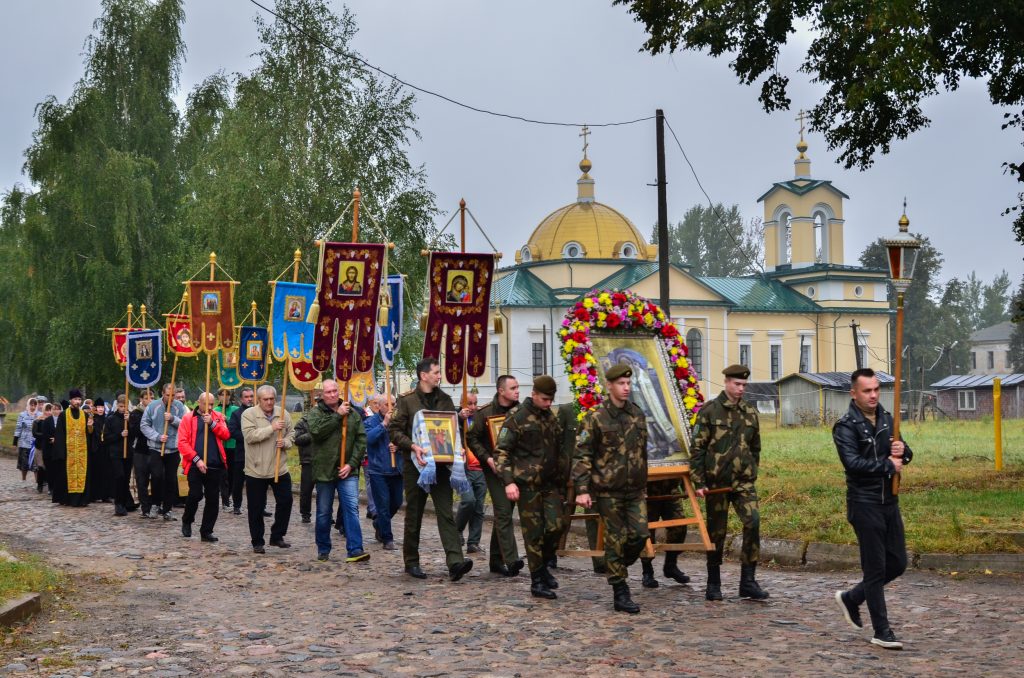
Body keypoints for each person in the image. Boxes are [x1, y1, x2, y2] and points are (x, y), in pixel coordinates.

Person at [833, 368, 913, 650]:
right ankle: (882, 630)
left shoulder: (888, 419)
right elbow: (853, 464)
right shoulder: (845, 426)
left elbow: (906, 454)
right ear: (854, 393)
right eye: (867, 390)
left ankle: (852, 597)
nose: (874, 395)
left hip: (889, 502)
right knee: (876, 569)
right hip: (864, 503)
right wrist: (887, 466)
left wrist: (903, 451)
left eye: (877, 389)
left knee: (898, 563)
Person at [388, 357, 474, 581]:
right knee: (414, 513)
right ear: (423, 375)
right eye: (436, 372)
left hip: (442, 466)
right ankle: (412, 561)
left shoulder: (445, 399)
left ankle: (455, 562)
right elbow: (395, 431)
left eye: (439, 372)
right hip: (416, 466)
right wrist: (412, 446)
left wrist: (458, 449)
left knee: (446, 512)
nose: (439, 375)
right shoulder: (406, 401)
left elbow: (451, 428)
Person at [574, 364, 649, 614]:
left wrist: (644, 482)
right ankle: (620, 590)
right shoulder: (596, 417)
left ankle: (616, 563)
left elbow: (642, 453)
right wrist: (582, 489)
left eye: (628, 384)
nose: (626, 388)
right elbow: (582, 454)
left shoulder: (637, 414)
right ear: (609, 386)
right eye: (621, 384)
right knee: (614, 538)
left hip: (635, 490)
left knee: (640, 534)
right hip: (608, 490)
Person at [690, 364, 768, 602]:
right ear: (726, 382)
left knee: (753, 523)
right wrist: (699, 481)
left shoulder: (749, 412)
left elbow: (755, 447)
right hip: (717, 483)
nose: (741, 389)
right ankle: (713, 582)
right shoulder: (710, 411)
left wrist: (751, 470)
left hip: (743, 482)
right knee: (717, 533)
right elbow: (698, 448)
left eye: (744, 385)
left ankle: (748, 581)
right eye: (737, 384)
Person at [495, 375, 565, 600]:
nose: (548, 404)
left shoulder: (549, 417)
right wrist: (509, 481)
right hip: (527, 486)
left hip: (550, 484)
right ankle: (537, 580)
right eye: (544, 399)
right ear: (533, 394)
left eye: (550, 400)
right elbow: (502, 452)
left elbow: (558, 448)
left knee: (556, 526)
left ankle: (543, 566)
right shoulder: (517, 418)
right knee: (534, 534)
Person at [466, 375, 524, 577]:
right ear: (501, 391)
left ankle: (495, 560)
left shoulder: (522, 411)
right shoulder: (485, 413)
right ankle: (512, 559)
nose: (517, 391)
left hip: (516, 469)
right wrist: (487, 459)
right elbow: (471, 437)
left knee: (505, 511)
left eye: (517, 387)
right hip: (494, 469)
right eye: (513, 387)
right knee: (503, 509)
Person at [306, 379, 368, 562]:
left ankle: (355, 549)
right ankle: (323, 548)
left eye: (335, 391)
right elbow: (317, 432)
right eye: (328, 392)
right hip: (324, 471)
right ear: (322, 395)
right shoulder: (316, 413)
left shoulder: (353, 413)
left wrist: (352, 464)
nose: (332, 394)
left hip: (347, 471)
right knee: (324, 511)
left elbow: (361, 440)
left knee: (351, 508)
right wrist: (337, 416)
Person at [241, 385, 295, 554]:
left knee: (286, 501)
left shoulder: (283, 413)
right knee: (256, 508)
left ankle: (277, 535)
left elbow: (291, 433)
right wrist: (271, 428)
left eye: (272, 399)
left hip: (279, 467)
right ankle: (257, 541)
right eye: (266, 399)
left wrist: (285, 442)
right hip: (256, 469)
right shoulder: (248, 414)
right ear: (259, 400)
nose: (270, 402)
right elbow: (250, 437)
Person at [178, 392, 230, 542]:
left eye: (212, 404)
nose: (209, 407)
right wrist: (197, 459)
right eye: (206, 404)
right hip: (195, 463)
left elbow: (226, 435)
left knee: (213, 499)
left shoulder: (218, 416)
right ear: (198, 402)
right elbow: (182, 442)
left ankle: (206, 531)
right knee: (195, 494)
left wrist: (213, 424)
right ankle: (187, 520)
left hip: (214, 464)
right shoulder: (188, 418)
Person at [140, 383, 187, 520]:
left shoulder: (179, 406)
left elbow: (185, 423)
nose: (171, 398)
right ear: (162, 393)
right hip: (156, 447)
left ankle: (167, 509)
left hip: (173, 448)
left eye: (173, 395)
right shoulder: (153, 406)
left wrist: (172, 419)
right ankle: (155, 504)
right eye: (168, 395)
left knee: (171, 479)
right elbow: (144, 425)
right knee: (157, 476)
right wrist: (157, 436)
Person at [639, 477, 691, 588]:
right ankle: (647, 571)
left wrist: (686, 485)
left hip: (671, 489)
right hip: (648, 490)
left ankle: (670, 565)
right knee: (646, 531)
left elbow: (682, 460)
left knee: (679, 526)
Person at [365, 394, 402, 550]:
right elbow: (368, 439)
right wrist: (384, 425)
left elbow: (407, 439)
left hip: (397, 469)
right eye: (387, 404)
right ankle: (387, 538)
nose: (390, 407)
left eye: (393, 404)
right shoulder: (369, 422)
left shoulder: (400, 421)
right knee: (383, 505)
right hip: (378, 470)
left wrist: (399, 446)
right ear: (378, 406)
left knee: (397, 502)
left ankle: (378, 523)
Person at [455, 392, 486, 553]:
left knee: (479, 507)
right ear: (461, 403)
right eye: (469, 403)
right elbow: (449, 429)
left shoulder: (480, 419)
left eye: (475, 403)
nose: (473, 407)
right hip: (464, 468)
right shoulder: (456, 418)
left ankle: (473, 542)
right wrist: (460, 417)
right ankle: (457, 529)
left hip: (480, 468)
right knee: (468, 501)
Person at [52, 389, 94, 507]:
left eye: (79, 399)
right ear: (70, 400)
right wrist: (61, 452)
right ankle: (68, 499)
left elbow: (89, 433)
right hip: (68, 452)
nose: (77, 402)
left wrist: (90, 427)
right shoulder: (63, 415)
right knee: (67, 476)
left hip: (82, 453)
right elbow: (59, 434)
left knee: (82, 475)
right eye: (75, 399)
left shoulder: (84, 415)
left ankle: (82, 499)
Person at [102, 395, 135, 516]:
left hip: (128, 453)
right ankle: (118, 503)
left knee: (126, 478)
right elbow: (106, 438)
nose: (123, 409)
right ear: (117, 406)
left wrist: (130, 424)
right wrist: (120, 435)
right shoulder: (110, 419)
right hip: (116, 453)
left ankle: (126, 501)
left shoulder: (131, 418)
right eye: (121, 406)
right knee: (119, 477)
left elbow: (135, 434)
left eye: (125, 406)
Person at [226, 387, 254, 514]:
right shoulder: (236, 414)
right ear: (241, 399)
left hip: (256, 453)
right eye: (246, 397)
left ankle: (259, 505)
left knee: (257, 482)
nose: (249, 399)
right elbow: (232, 431)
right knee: (238, 481)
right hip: (241, 452)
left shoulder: (259, 413)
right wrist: (250, 437)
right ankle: (237, 505)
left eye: (251, 396)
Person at [215, 389, 240, 511]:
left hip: (233, 445)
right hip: (221, 446)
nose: (224, 397)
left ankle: (229, 494)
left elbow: (237, 426)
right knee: (223, 474)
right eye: (222, 395)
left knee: (232, 474)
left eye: (227, 395)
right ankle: (225, 499)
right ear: (218, 397)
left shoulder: (235, 410)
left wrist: (227, 420)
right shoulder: (215, 411)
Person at [88, 398, 113, 503]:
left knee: (106, 472)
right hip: (96, 449)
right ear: (95, 408)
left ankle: (105, 495)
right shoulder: (92, 419)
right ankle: (94, 495)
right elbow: (90, 433)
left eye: (102, 407)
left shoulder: (107, 419)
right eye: (98, 407)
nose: (100, 409)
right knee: (96, 472)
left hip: (105, 449)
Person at [14, 398, 39, 482]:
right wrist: (15, 441)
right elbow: (18, 428)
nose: (33, 407)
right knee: (24, 463)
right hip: (24, 442)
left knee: (36, 464)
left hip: (36, 443)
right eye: (31, 405)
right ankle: (24, 479)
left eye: (35, 405)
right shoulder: (22, 415)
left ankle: (37, 481)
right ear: (28, 405)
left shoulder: (40, 414)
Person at [31, 404, 52, 493]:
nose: (48, 412)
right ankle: (40, 484)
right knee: (41, 467)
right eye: (46, 410)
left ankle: (50, 485)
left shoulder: (54, 421)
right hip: (40, 447)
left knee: (49, 467)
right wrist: (45, 436)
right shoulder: (38, 421)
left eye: (50, 410)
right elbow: (34, 433)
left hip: (50, 447)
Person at [43, 403, 62, 501]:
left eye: (58, 409)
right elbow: (44, 434)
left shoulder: (62, 420)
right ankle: (51, 487)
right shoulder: (47, 421)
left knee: (57, 469)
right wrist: (51, 439)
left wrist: (58, 439)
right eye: (54, 409)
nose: (56, 411)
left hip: (59, 449)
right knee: (50, 469)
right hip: (49, 449)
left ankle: (57, 487)